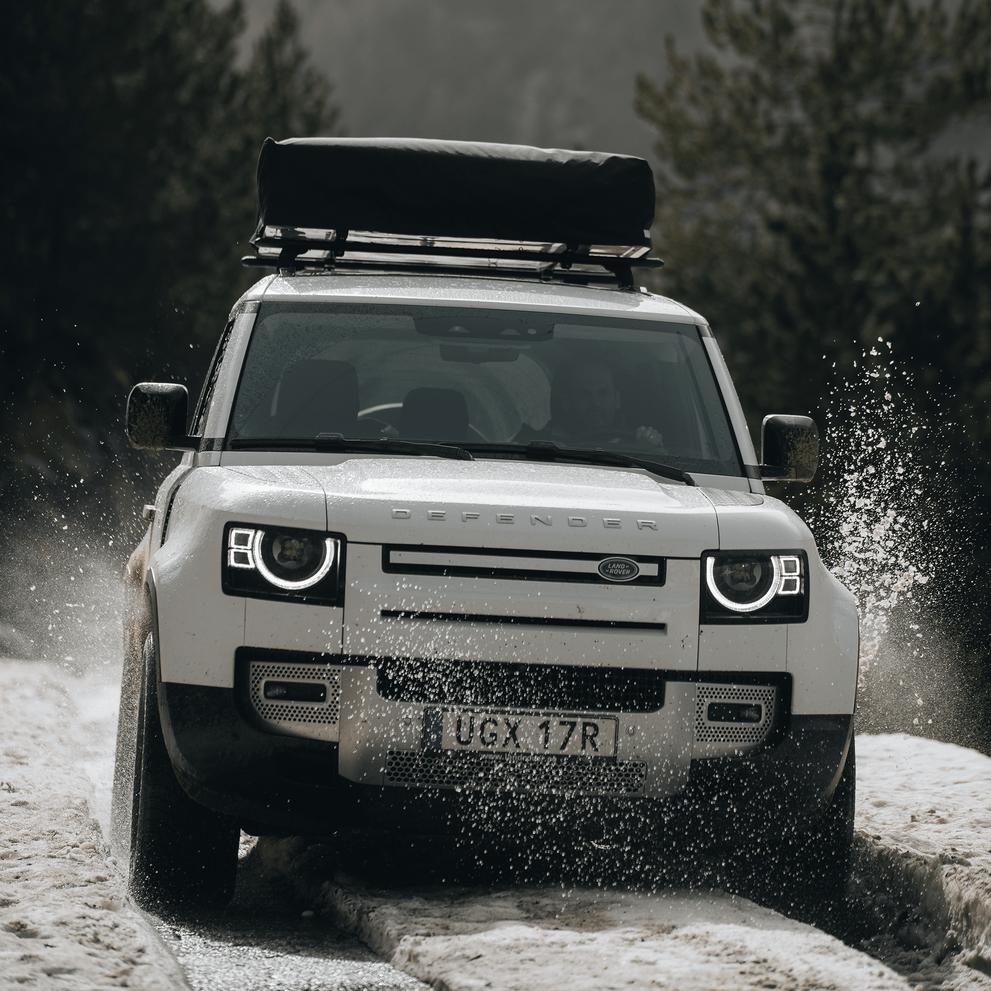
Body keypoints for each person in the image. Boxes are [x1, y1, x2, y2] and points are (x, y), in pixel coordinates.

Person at [516, 362, 662, 447]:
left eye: (603, 393)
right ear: (566, 401)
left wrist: (651, 448)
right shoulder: (539, 444)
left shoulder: (636, 444)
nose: (596, 403)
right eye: (585, 394)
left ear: (617, 400)